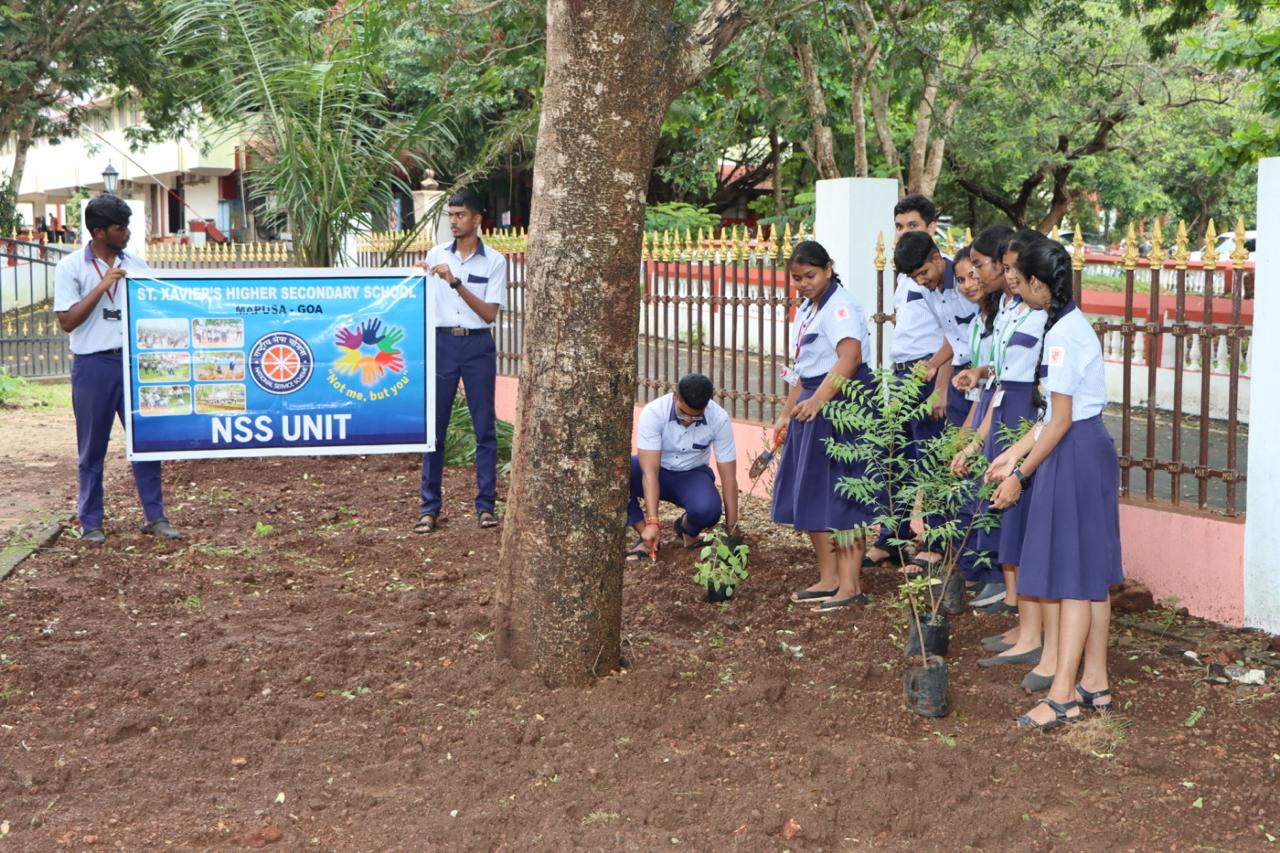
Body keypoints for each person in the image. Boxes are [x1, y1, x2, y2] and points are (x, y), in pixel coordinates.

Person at [985, 238, 1122, 729]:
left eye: (1022, 281)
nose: (1016, 289)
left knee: (1073, 578)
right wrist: (1011, 452)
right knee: (1089, 573)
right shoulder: (1066, 323)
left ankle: (1063, 695)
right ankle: (1096, 682)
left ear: (1041, 283)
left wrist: (1021, 474)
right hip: (1081, 447)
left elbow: (1060, 420)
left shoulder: (1064, 333)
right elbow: (1050, 419)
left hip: (1075, 452)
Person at [52, 194, 182, 544]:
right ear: (98, 232)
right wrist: (104, 285)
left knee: (146, 442)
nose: (127, 233)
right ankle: (91, 522)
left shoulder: (137, 263)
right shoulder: (71, 268)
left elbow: (158, 311)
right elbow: (67, 321)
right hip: (94, 365)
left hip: (135, 363)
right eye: (119, 228)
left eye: (127, 226)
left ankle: (155, 517)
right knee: (92, 447)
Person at [771, 240, 877, 612]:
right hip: (812, 402)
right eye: (797, 278)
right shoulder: (806, 309)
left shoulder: (841, 306)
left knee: (846, 494)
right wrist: (788, 412)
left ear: (829, 268)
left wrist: (819, 401)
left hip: (843, 401)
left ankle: (850, 586)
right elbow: (804, 368)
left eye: (810, 275)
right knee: (813, 493)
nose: (802, 283)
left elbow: (850, 358)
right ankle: (828, 578)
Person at [865, 195, 952, 569]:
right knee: (894, 456)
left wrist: (939, 386)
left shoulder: (940, 274)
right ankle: (893, 537)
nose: (903, 233)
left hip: (929, 374)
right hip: (903, 373)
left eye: (912, 226)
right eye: (899, 226)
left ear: (932, 228)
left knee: (929, 459)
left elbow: (954, 337)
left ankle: (934, 541)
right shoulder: (905, 273)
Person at [417, 190, 508, 533]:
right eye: (450, 216)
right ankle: (429, 508)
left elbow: (488, 314)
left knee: (484, 428)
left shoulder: (494, 261)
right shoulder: (436, 254)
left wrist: (454, 282)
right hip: (442, 344)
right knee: (434, 430)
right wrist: (420, 277)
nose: (454, 222)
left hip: (477, 346)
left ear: (476, 219)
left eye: (460, 215)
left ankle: (485, 506)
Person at [626, 373, 738, 562]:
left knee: (708, 510)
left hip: (691, 476)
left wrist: (732, 529)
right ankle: (646, 535)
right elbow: (649, 473)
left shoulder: (719, 419)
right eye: (683, 413)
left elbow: (728, 478)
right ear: (675, 396)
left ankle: (687, 530)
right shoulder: (654, 413)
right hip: (656, 471)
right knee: (617, 477)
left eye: (696, 417)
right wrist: (653, 521)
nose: (688, 420)